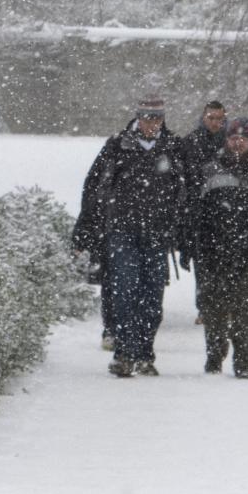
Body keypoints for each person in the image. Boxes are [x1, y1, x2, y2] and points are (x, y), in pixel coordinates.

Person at [73, 97, 186, 378]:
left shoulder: (172, 146)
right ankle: (124, 353)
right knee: (123, 291)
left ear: (163, 118)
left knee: (152, 295)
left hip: (157, 233)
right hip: (121, 231)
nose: (151, 122)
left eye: (156, 117)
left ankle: (145, 353)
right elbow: (94, 187)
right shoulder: (117, 145)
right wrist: (85, 229)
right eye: (147, 116)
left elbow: (185, 191)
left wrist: (181, 229)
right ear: (137, 117)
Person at [180, 119, 248, 378]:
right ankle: (215, 352)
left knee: (247, 309)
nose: (238, 142)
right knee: (214, 308)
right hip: (214, 251)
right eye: (234, 138)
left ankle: (244, 361)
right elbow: (193, 210)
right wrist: (189, 243)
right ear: (226, 140)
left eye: (243, 138)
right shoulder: (209, 171)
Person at [179, 100, 228, 325]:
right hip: (200, 210)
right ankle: (205, 307)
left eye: (219, 118)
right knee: (203, 263)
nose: (216, 122)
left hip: (225, 210)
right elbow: (185, 178)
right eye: (212, 118)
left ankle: (221, 305)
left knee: (224, 262)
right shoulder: (191, 142)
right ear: (204, 117)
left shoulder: (230, 142)